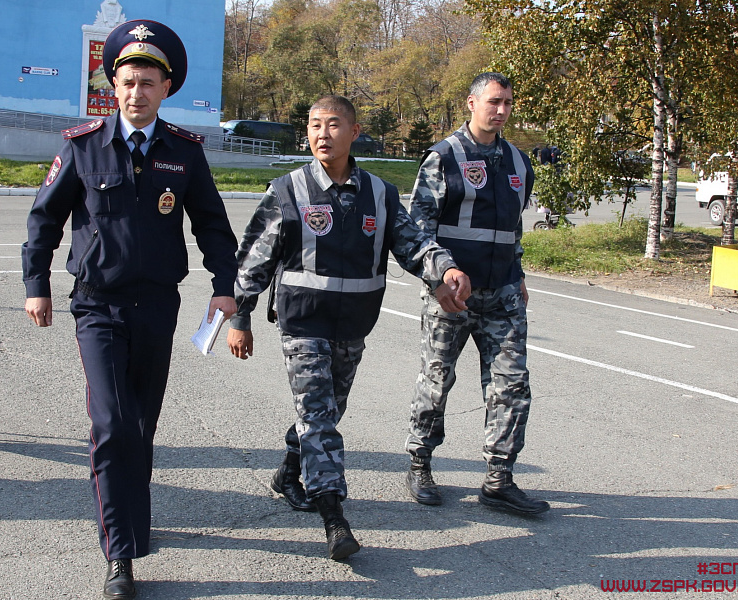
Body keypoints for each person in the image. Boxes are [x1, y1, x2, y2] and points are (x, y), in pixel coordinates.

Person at [22, 20, 238, 600]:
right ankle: (120, 553)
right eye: (126, 81)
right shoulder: (82, 144)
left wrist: (225, 288)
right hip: (96, 306)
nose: (136, 92)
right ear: (111, 87)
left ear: (165, 88)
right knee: (111, 423)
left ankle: (132, 523)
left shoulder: (184, 153)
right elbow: (44, 219)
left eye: (148, 82)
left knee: (140, 425)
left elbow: (214, 227)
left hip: (157, 308)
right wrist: (35, 284)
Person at [226, 95, 470, 560]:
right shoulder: (289, 189)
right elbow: (253, 261)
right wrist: (241, 316)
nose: (322, 133)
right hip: (302, 322)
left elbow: (413, 243)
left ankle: (287, 472)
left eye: (333, 124)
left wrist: (445, 270)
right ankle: (334, 516)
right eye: (315, 125)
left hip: (354, 325)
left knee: (327, 410)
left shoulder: (379, 193)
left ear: (353, 132)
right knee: (319, 415)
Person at [404, 72, 550, 516]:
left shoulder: (518, 162)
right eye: (493, 101)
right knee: (437, 381)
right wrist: (438, 279)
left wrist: (518, 272)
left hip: (503, 295)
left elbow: (512, 229)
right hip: (452, 296)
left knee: (511, 386)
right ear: (471, 103)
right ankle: (419, 463)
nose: (501, 110)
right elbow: (417, 231)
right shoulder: (443, 158)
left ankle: (498, 479)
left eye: (507, 102)